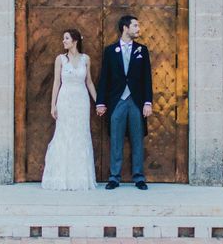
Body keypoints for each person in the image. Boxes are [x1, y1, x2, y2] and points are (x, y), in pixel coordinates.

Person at [96, 15, 153, 190]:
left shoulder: (142, 50)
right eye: (135, 26)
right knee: (116, 139)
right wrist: (101, 102)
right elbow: (104, 78)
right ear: (125, 28)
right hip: (117, 101)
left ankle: (139, 177)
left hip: (136, 101)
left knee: (137, 139)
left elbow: (147, 79)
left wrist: (148, 102)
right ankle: (114, 177)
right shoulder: (110, 51)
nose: (138, 29)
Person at [41, 29, 98, 190]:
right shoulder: (60, 59)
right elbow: (56, 83)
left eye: (66, 38)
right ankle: (61, 177)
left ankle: (79, 178)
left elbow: (89, 82)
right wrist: (53, 105)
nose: (63, 41)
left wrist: (98, 102)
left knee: (80, 135)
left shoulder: (85, 59)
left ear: (75, 41)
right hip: (65, 99)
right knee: (64, 134)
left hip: (81, 100)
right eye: (63, 38)